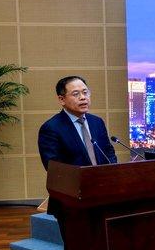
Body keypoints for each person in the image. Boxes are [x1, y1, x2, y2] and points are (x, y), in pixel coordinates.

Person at [37, 76, 117, 214]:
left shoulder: (97, 122)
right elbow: (55, 169)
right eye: (76, 94)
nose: (83, 97)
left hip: (104, 194)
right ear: (62, 99)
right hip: (71, 201)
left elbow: (109, 153)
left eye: (85, 92)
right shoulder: (51, 128)